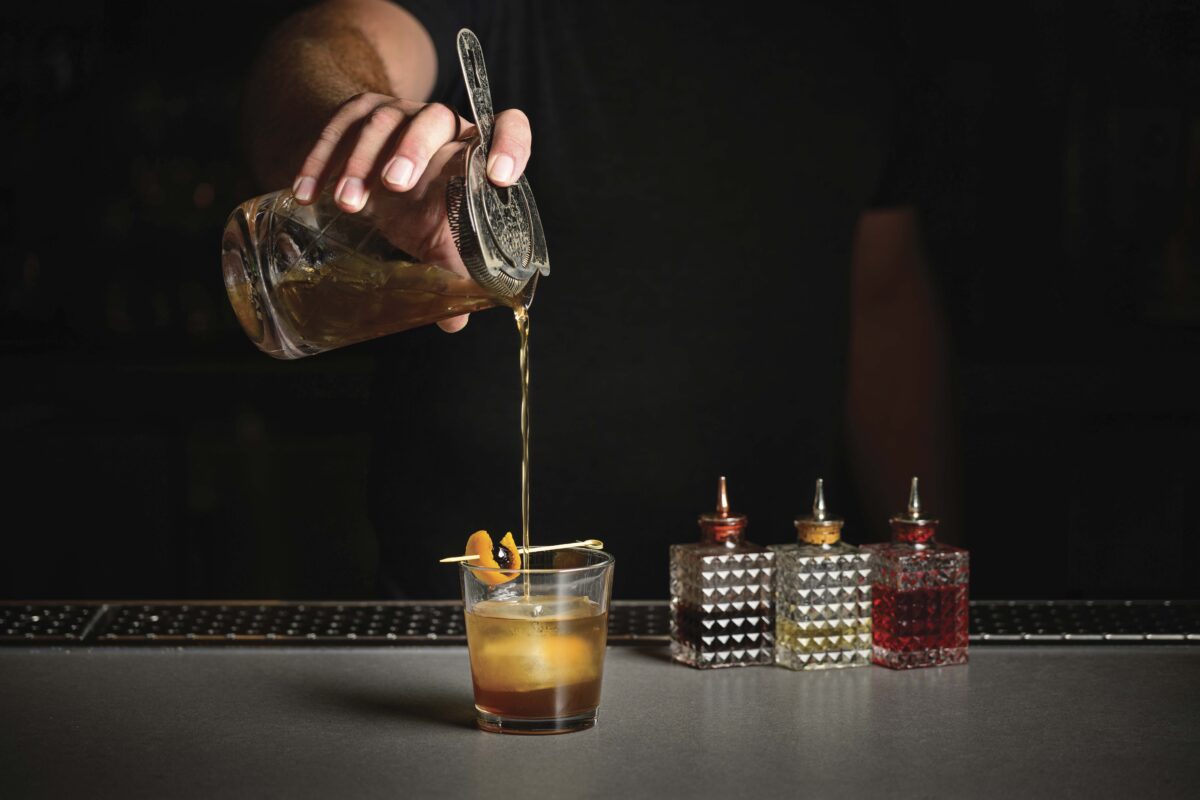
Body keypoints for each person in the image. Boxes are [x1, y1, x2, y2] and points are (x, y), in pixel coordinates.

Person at [242, 0, 959, 599]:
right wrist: (368, 127)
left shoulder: (864, 27)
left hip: (763, 619)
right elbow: (325, 44)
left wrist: (943, 566)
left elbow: (883, 298)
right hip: (454, 631)